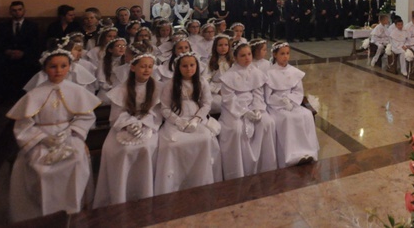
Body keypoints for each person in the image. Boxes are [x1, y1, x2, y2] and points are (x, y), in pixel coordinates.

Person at [7, 48, 101, 222]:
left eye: (63, 66)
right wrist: (43, 138)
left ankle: (72, 209)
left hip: (69, 136)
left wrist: (71, 132)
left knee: (76, 160)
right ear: (44, 69)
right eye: (53, 66)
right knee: (40, 168)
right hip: (41, 140)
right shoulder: (34, 94)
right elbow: (23, 125)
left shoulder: (77, 91)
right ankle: (41, 214)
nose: (58, 71)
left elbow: (86, 117)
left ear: (69, 67)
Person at [93, 53, 162, 207]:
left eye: (149, 66)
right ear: (133, 67)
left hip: (148, 125)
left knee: (146, 146)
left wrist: (143, 123)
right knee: (120, 149)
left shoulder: (157, 87)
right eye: (143, 66)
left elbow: (156, 113)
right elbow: (116, 115)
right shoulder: (122, 88)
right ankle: (120, 193)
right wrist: (130, 123)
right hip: (124, 125)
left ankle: (144, 192)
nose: (146, 70)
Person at [155, 52, 222, 195]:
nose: (189, 69)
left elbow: (206, 104)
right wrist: (178, 121)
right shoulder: (170, 84)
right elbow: (165, 108)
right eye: (184, 66)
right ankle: (177, 181)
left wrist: (196, 119)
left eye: (192, 65)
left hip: (197, 119)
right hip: (177, 119)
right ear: (178, 67)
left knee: (205, 139)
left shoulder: (202, 82)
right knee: (172, 144)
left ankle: (201, 179)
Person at [218, 42, 277, 179]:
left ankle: (265, 166)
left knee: (267, 123)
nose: (247, 58)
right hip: (234, 110)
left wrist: (257, 109)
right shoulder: (229, 76)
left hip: (253, 106)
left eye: (249, 54)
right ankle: (237, 170)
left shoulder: (256, 73)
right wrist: (244, 112)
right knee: (236, 129)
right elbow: (229, 99)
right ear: (236, 57)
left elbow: (258, 93)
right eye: (243, 55)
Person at [264, 42, 319, 167]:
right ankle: (290, 155)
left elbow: (298, 91)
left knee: (306, 115)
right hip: (276, 106)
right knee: (288, 119)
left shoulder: (294, 72)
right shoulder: (269, 73)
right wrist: (281, 101)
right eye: (282, 54)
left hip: (293, 103)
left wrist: (290, 100)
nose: (285, 57)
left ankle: (307, 152)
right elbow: (268, 96)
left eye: (287, 54)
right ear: (274, 55)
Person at [0, 1, 40, 103]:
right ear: (10, 12)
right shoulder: (2, 26)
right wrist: (8, 51)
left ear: (24, 10)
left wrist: (23, 53)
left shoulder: (32, 26)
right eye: (14, 10)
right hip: (8, 55)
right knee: (0, 65)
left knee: (30, 65)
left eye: (19, 9)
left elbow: (35, 44)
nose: (17, 12)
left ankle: (26, 97)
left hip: (26, 55)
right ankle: (5, 99)